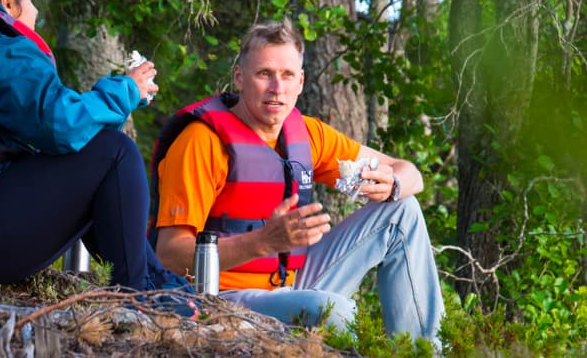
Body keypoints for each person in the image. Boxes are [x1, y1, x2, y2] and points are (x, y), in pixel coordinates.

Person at [148, 18, 445, 344]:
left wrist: (393, 184)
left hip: (291, 283)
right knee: (335, 312)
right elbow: (169, 255)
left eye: (287, 75)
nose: (277, 88)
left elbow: (410, 172)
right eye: (264, 74)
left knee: (402, 210)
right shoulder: (201, 141)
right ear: (240, 78)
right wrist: (262, 242)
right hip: (221, 298)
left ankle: (425, 352)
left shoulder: (306, 133)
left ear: (301, 81)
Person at [0, 0, 193, 307]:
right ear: (7, 2)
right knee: (112, 153)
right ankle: (141, 295)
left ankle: (153, 282)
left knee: (92, 162)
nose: (35, 12)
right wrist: (128, 89)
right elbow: (59, 122)